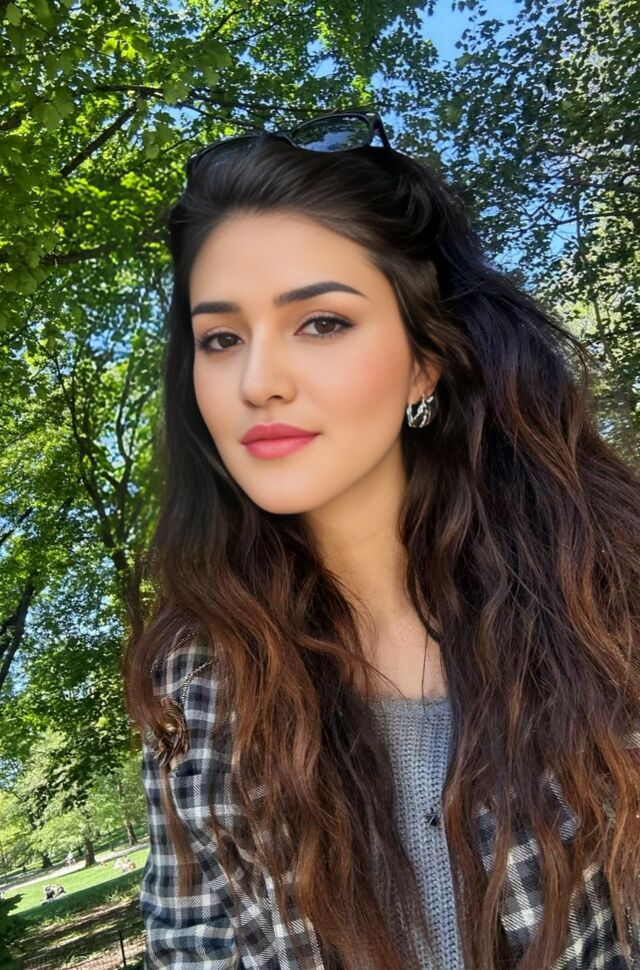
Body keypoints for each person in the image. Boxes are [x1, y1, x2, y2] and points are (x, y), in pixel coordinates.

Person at [124, 109, 640, 969]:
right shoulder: (192, 678)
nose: (257, 380)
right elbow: (191, 945)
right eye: (221, 338)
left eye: (321, 322)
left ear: (423, 363)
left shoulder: (604, 597)